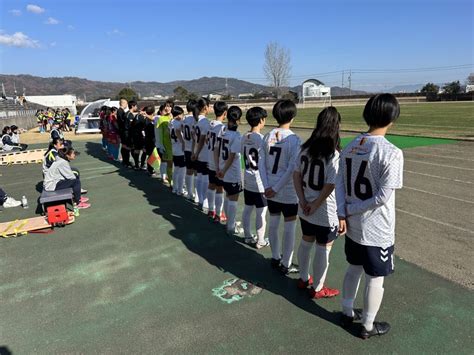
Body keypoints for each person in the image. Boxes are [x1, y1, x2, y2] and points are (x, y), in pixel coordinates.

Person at [337, 94, 403, 339]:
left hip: (353, 224)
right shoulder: (391, 152)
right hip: (377, 227)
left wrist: (343, 210)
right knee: (376, 277)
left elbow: (340, 183)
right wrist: (350, 210)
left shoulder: (351, 145)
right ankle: (367, 325)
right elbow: (382, 197)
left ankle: (346, 311)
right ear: (392, 118)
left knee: (353, 268)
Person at [293, 107, 341, 299]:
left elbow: (296, 175)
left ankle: (304, 278)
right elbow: (330, 184)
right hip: (324, 210)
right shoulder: (333, 154)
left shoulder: (304, 149)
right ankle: (318, 287)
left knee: (306, 241)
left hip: (305, 207)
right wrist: (316, 204)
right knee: (324, 247)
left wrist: (303, 200)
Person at [259, 99, 301, 275]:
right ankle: (286, 262)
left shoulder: (268, 136)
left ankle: (276, 257)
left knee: (274, 223)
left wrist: (268, 186)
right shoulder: (294, 139)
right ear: (292, 116)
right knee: (289, 227)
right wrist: (275, 188)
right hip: (288, 191)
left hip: (271, 189)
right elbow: (292, 168)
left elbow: (261, 164)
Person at [241, 106, 269, 248]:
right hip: (260, 180)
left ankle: (247, 236)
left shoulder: (244, 137)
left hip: (247, 177)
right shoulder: (262, 139)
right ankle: (260, 240)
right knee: (261, 212)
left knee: (247, 209)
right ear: (261, 120)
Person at [216, 106, 243, 236]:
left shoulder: (222, 131)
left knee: (228, 196)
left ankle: (229, 222)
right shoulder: (237, 135)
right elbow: (232, 156)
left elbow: (216, 150)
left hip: (221, 169)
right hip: (231, 172)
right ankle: (231, 226)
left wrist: (218, 168)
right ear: (238, 120)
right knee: (233, 199)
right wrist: (224, 170)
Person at [43, 146, 90, 216]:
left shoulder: (60, 159)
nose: (74, 155)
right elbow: (70, 177)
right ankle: (78, 203)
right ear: (67, 155)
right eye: (73, 154)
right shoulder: (63, 162)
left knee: (75, 176)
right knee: (76, 182)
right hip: (51, 185)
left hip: (54, 181)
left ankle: (77, 196)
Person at [207, 101, 227, 222]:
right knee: (220, 188)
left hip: (210, 159)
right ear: (225, 113)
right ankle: (219, 214)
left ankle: (211, 210)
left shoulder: (211, 124)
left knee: (211, 185)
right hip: (218, 161)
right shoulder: (222, 128)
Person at [191, 97, 211, 210]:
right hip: (204, 154)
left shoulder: (197, 122)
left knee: (199, 177)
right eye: (209, 106)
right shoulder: (205, 123)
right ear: (205, 107)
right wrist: (197, 152)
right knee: (205, 178)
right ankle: (204, 201)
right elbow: (204, 140)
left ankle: (200, 199)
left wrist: (194, 152)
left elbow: (195, 138)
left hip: (198, 153)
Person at [182, 99, 197, 201]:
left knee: (188, 171)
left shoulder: (184, 119)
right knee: (196, 173)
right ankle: (196, 194)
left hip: (186, 148)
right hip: (194, 149)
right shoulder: (194, 120)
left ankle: (189, 193)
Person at [169, 106, 186, 194]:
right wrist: (183, 142)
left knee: (176, 169)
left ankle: (175, 188)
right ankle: (180, 189)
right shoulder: (178, 123)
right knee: (182, 171)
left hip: (174, 148)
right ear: (179, 114)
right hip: (180, 149)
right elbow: (178, 132)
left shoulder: (171, 122)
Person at [157, 100, 174, 185]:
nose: (167, 108)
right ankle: (171, 182)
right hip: (167, 146)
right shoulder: (161, 118)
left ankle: (178, 182)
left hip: (177, 146)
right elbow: (158, 133)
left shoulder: (176, 117)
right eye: (166, 106)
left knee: (179, 166)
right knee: (170, 164)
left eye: (169, 106)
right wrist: (160, 146)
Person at [122, 100, 137, 168]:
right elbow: (131, 126)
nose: (136, 107)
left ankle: (126, 162)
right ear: (133, 106)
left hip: (126, 133)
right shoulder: (129, 115)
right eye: (136, 106)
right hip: (128, 133)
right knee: (129, 148)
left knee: (126, 148)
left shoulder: (127, 113)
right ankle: (127, 163)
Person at [143, 106, 157, 175]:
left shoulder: (146, 119)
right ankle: (150, 169)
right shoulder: (150, 121)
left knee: (150, 154)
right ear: (153, 112)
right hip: (151, 139)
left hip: (147, 139)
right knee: (151, 154)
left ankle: (150, 168)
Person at [116, 98, 129, 165]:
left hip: (121, 130)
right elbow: (123, 121)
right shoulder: (120, 111)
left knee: (124, 145)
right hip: (123, 131)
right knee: (125, 146)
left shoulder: (120, 111)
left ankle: (125, 160)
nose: (127, 105)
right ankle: (125, 160)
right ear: (123, 103)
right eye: (126, 103)